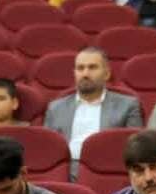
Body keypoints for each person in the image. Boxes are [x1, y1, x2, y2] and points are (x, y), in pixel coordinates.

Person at [43, 47, 143, 175]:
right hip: (66, 171)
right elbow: (48, 151)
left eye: (92, 67)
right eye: (80, 68)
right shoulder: (55, 108)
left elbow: (135, 150)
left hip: (107, 170)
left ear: (107, 74)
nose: (85, 74)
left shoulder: (128, 105)